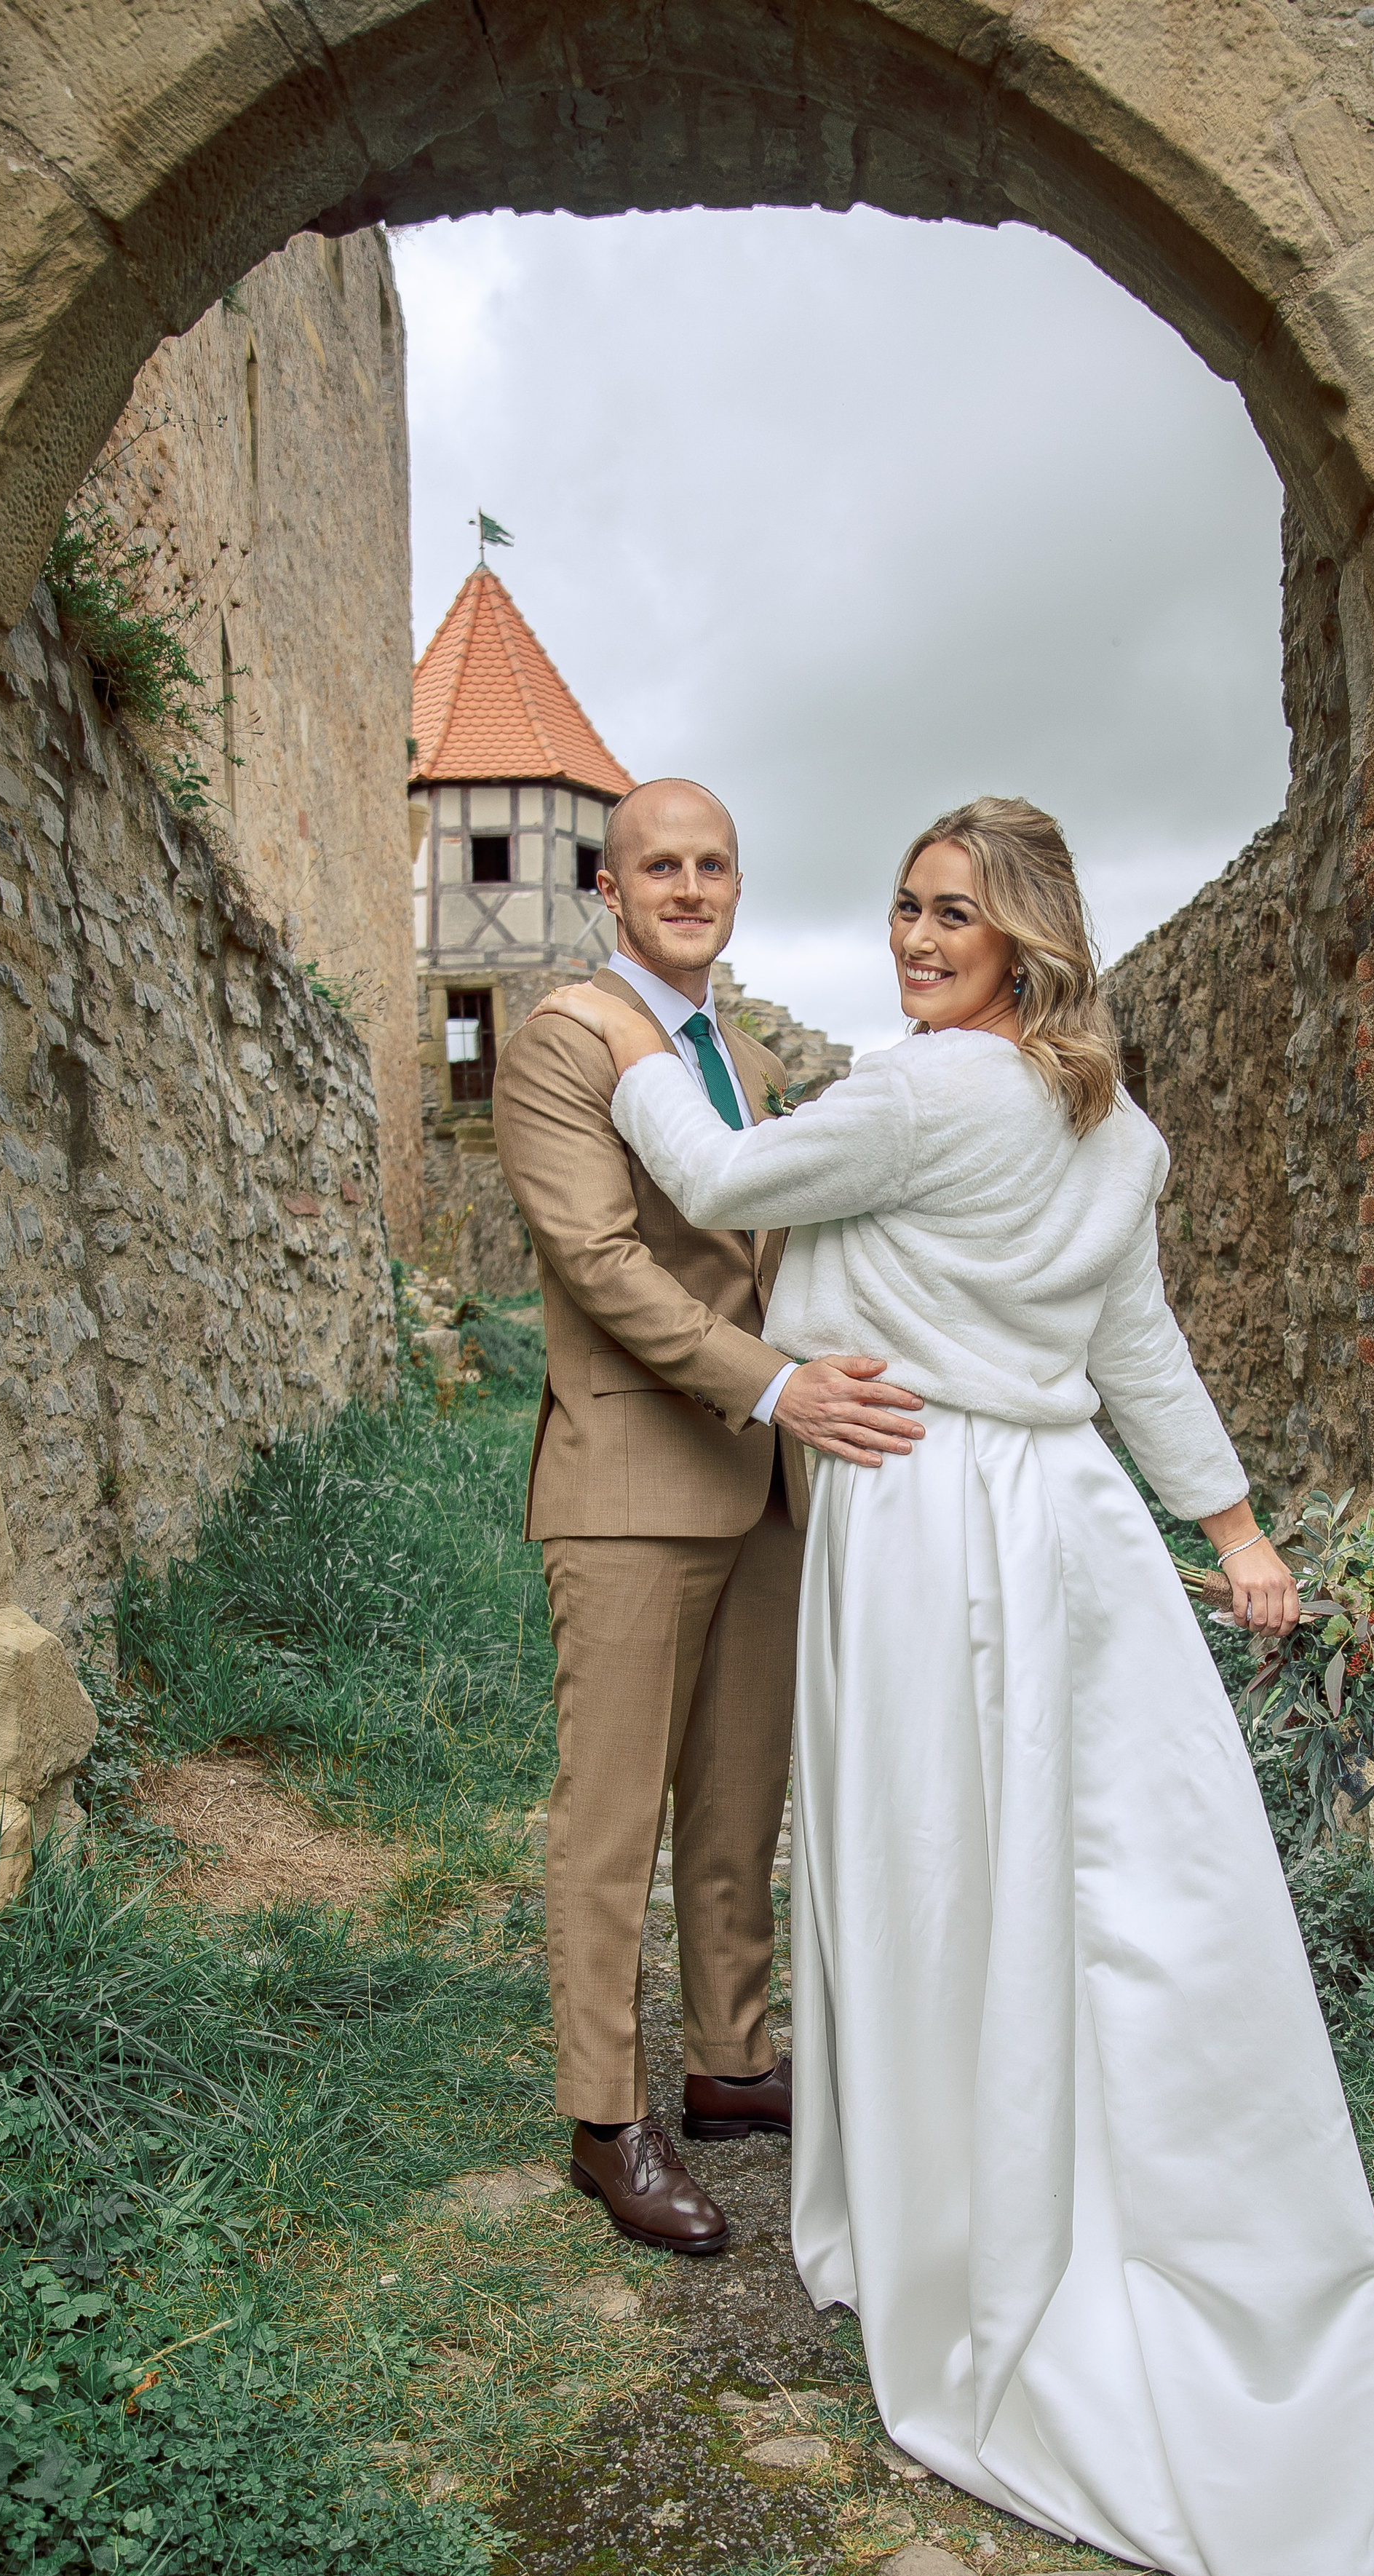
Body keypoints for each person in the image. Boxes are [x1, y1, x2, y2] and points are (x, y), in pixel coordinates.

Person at [536, 794, 1374, 2576]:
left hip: (915, 1509)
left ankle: (942, 2191)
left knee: (922, 1852)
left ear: (1024, 936)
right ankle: (1060, 2147)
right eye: (897, 907)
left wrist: (633, 1039)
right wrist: (1233, 1525)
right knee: (1089, 1862)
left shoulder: (922, 1090)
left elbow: (719, 1190)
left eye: (948, 913)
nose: (907, 939)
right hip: (1068, 1525)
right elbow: (1136, 1345)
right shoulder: (1109, 1122)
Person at [492, 777, 924, 2258]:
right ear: (607, 894)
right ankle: (606, 2121)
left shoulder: (735, 1055)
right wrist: (781, 1387)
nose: (687, 885)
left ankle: (730, 2060)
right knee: (613, 1818)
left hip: (759, 1486)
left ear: (736, 885)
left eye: (711, 863)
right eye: (656, 866)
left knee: (742, 1800)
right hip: (630, 1479)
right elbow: (605, 1267)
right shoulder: (563, 1042)